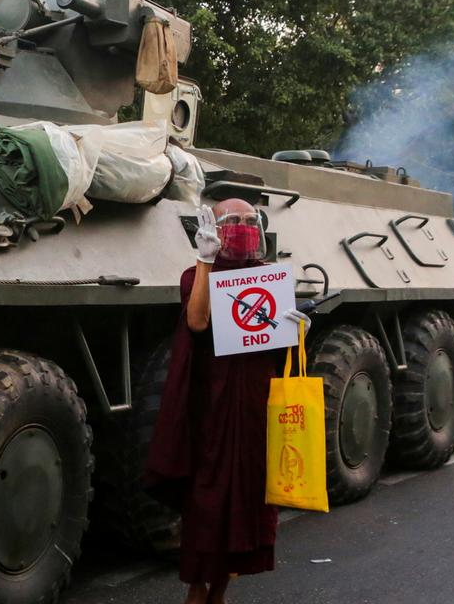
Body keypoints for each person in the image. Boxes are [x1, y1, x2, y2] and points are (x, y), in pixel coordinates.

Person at [144, 198, 306, 604]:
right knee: (208, 500)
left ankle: (220, 591)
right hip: (210, 410)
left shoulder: (265, 279)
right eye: (233, 220)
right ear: (214, 228)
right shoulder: (194, 275)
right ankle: (198, 589)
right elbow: (198, 320)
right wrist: (205, 260)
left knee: (249, 497)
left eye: (251, 220)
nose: (244, 226)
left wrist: (298, 326)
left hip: (255, 408)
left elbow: (274, 338)